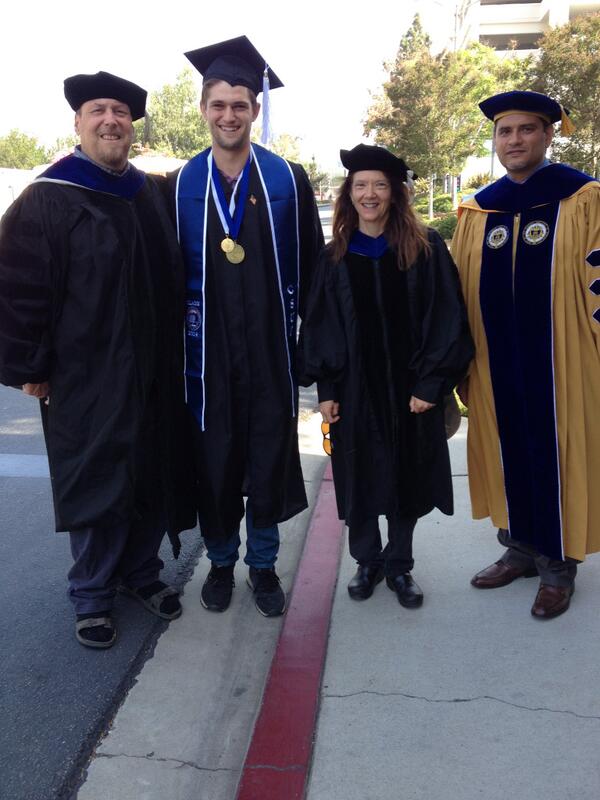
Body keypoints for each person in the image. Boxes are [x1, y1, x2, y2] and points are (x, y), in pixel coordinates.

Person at [0, 71, 196, 648]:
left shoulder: (149, 193)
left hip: (158, 366)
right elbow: (16, 288)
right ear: (78, 123)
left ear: (132, 125)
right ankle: (91, 591)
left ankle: (140, 573)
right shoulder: (48, 196)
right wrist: (31, 367)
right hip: (86, 370)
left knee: (150, 470)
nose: (111, 119)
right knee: (97, 476)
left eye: (120, 111)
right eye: (98, 110)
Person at [169, 36, 323, 617]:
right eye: (218, 104)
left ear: (255, 110)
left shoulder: (288, 179)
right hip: (204, 359)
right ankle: (220, 564)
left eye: (240, 104)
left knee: (264, 465)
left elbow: (312, 267)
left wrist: (309, 347)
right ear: (204, 109)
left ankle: (262, 567)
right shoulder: (183, 183)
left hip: (268, 356)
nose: (229, 114)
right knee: (214, 468)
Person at [299, 144, 473, 607]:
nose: (369, 194)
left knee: (406, 475)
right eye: (360, 185)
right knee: (358, 473)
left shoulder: (425, 248)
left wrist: (430, 384)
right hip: (355, 391)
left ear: (395, 193)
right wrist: (328, 389)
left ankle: (399, 566)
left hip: (409, 391)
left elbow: (447, 317)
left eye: (378, 185)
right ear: (348, 194)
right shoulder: (335, 256)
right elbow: (322, 326)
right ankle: (367, 561)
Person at [452, 90, 600, 619]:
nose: (513, 140)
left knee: (558, 450)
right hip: (494, 364)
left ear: (548, 134)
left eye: (526, 130)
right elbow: (460, 292)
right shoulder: (478, 209)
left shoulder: (582, 198)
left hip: (564, 361)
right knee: (503, 446)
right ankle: (518, 548)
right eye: (504, 132)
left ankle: (558, 565)